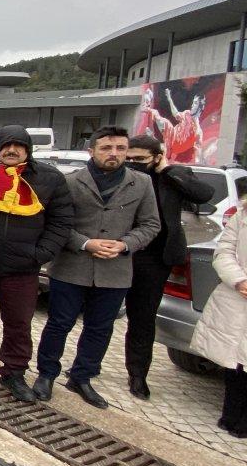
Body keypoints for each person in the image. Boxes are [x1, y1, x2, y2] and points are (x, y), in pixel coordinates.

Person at [32, 127, 160, 408]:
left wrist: (125, 244)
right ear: (91, 151)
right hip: (71, 267)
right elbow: (56, 223)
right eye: (106, 148)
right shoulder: (70, 182)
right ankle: (46, 374)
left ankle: (82, 376)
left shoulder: (141, 184)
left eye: (120, 148)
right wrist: (85, 243)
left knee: (100, 328)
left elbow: (151, 224)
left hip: (115, 271)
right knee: (59, 323)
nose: (113, 154)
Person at [0, 125, 73, 401]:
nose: (12, 150)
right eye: (7, 145)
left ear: (28, 149)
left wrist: (40, 253)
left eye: (19, 145)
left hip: (23, 266)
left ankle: (14, 372)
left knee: (18, 323)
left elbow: (61, 221)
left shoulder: (49, 179)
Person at [123, 134, 214, 399]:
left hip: (155, 259)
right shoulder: (122, 176)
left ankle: (137, 374)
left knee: (142, 319)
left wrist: (168, 170)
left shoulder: (171, 177)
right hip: (121, 253)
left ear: (157, 157)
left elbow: (204, 194)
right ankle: (86, 368)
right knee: (101, 315)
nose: (133, 163)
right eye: (129, 158)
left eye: (139, 159)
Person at [190, 197, 247, 438]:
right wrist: (239, 280)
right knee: (234, 361)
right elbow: (223, 251)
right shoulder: (242, 214)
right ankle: (230, 417)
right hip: (237, 296)